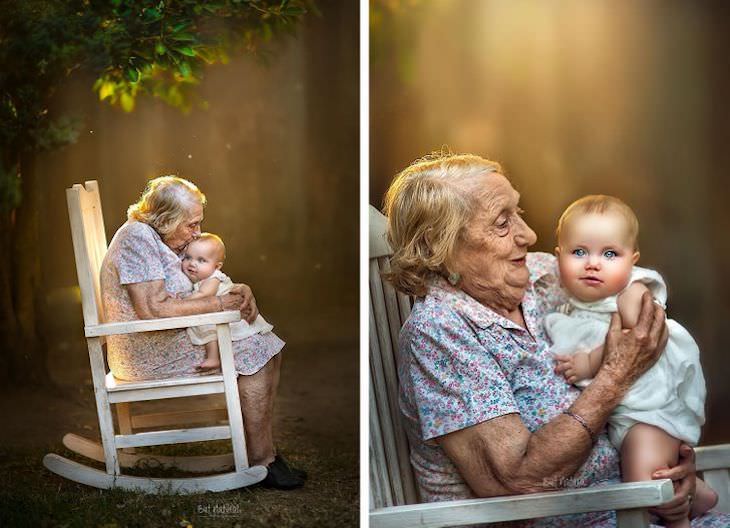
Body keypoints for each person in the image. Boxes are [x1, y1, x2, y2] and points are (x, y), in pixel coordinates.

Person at [383, 152, 729, 526]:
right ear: (442, 243)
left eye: (520, 213)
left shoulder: (544, 276)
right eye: (503, 223)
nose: (528, 235)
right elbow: (516, 481)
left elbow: (638, 301)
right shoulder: (442, 331)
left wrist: (671, 466)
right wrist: (615, 375)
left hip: (637, 504)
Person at [100, 175, 305, 489]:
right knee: (257, 353)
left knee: (267, 346)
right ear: (166, 219)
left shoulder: (160, 237)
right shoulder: (136, 238)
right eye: (191, 225)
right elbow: (152, 309)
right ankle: (263, 461)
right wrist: (219, 303)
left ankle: (263, 453)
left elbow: (194, 281)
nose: (196, 232)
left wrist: (235, 289)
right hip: (146, 351)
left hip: (166, 336)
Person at [546, 195, 717, 527]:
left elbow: (628, 343)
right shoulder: (567, 305)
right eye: (579, 252)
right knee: (645, 468)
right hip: (625, 417)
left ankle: (679, 519)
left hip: (650, 414)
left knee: (642, 484)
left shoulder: (633, 293)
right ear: (558, 257)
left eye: (610, 254)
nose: (593, 263)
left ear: (632, 259)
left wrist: (588, 363)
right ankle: (700, 495)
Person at [180, 233, 274, 371]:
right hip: (219, 312)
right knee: (207, 326)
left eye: (201, 260)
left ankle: (213, 358)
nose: (192, 263)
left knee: (207, 327)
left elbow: (205, 294)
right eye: (188, 257)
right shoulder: (201, 278)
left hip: (229, 314)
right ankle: (213, 358)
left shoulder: (214, 277)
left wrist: (182, 301)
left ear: (217, 266)